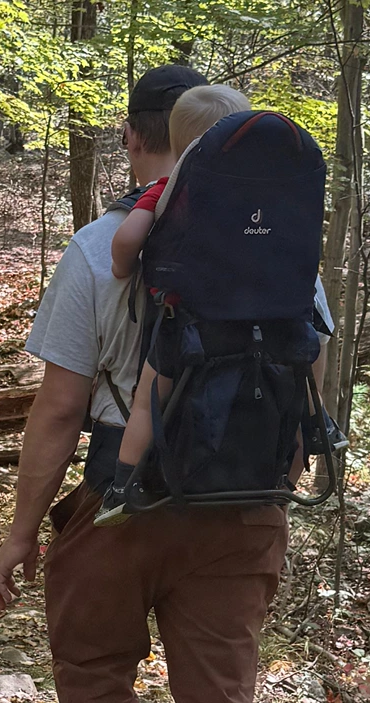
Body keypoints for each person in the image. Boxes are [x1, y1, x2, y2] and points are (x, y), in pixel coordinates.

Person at [0, 65, 335, 703]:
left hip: (124, 497)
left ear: (135, 140)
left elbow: (58, 411)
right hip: (245, 506)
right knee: (218, 701)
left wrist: (22, 533)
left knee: (93, 668)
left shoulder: (99, 247)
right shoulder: (285, 248)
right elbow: (310, 371)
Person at [100, 84, 254, 526]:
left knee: (147, 401)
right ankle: (319, 427)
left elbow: (126, 241)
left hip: (188, 325)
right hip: (256, 326)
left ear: (178, 142)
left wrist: (122, 267)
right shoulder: (258, 198)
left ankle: (123, 485)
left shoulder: (169, 188)